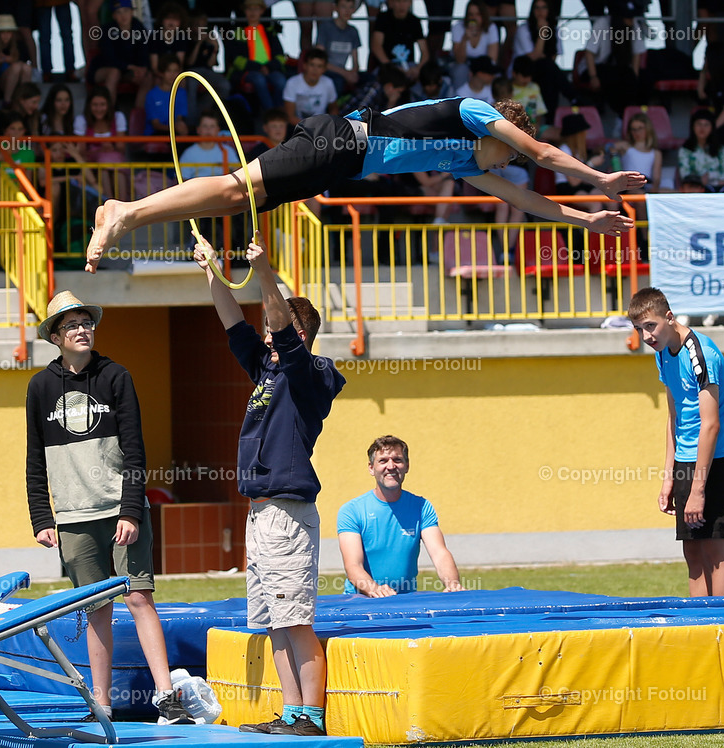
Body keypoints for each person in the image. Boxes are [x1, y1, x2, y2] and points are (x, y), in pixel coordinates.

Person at [85, 98, 645, 272]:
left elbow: (528, 199)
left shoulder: (468, 162)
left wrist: (587, 218)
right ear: (509, 131)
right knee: (236, 188)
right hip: (339, 141)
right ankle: (124, 211)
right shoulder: (474, 113)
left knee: (235, 199)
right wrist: (599, 178)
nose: (509, 163)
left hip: (339, 164)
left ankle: (125, 213)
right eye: (512, 151)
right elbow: (542, 155)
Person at [191, 233, 346, 737]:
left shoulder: (313, 374)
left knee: (296, 619)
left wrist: (264, 273)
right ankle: (292, 712)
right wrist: (213, 273)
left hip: (288, 511)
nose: (268, 337)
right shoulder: (266, 369)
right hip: (260, 513)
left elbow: (278, 327)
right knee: (274, 621)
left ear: (301, 336)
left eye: (277, 329)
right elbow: (233, 322)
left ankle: (313, 717)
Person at [25, 290, 197, 727]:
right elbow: (34, 458)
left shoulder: (117, 376)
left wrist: (130, 511)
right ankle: (101, 704)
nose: (82, 330)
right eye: (72, 326)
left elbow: (136, 451)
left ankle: (165, 697)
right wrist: (42, 518)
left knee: (139, 597)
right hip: (73, 519)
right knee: (96, 607)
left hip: (120, 510)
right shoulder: (40, 387)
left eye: (87, 323)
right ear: (56, 337)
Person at [628, 287, 724, 598]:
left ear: (669, 317)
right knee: (692, 553)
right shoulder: (663, 352)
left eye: (650, 326)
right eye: (639, 329)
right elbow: (674, 418)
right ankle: (700, 626)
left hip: (715, 461)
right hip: (685, 462)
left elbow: (711, 425)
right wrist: (669, 477)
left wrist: (698, 490)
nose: (646, 335)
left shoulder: (701, 354)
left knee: (715, 552)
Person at [337, 435, 464, 597]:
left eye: (397, 460)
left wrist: (452, 584)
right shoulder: (351, 510)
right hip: (361, 600)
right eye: (383, 461)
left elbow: (439, 553)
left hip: (406, 601)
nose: (391, 466)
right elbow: (353, 565)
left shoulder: (421, 507)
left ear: (407, 466)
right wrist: (375, 590)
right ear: (371, 468)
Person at [678, 109, 724, 191]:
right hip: (696, 191)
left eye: (706, 125)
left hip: (720, 189)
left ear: (712, 128)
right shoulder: (685, 150)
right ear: (693, 126)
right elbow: (685, 176)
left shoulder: (720, 149)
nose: (702, 128)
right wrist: (700, 181)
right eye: (699, 124)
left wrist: (709, 177)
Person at [448, 0, 499, 91]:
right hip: (463, 64)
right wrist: (464, 39)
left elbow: (491, 60)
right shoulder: (458, 27)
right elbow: (460, 60)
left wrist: (478, 72)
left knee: (493, 75)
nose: (473, 18)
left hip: (483, 65)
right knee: (461, 70)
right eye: (470, 14)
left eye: (478, 14)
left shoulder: (491, 28)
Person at [314, 0, 361, 96]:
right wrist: (346, 74)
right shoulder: (325, 27)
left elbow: (356, 62)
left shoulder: (353, 31)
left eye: (350, 7)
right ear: (335, 8)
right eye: (343, 7)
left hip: (343, 72)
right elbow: (319, 59)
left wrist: (353, 73)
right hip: (327, 72)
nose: (347, 11)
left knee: (369, 79)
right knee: (338, 83)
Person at [282, 47, 338, 126]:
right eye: (312, 65)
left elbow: (333, 107)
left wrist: (331, 122)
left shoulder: (328, 83)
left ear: (324, 69)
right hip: (297, 127)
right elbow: (290, 116)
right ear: (304, 66)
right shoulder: (292, 83)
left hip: (321, 127)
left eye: (319, 66)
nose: (315, 70)